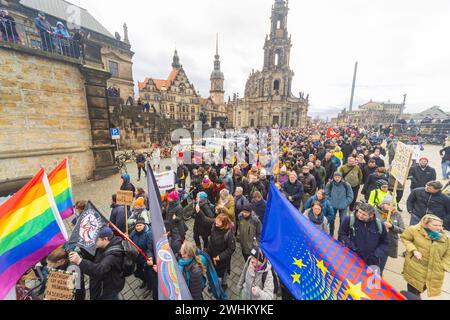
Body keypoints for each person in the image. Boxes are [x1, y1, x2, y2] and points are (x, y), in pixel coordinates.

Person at [69, 227, 125, 300]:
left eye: (97, 240)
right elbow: (95, 258)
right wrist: (81, 253)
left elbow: (99, 270)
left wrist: (80, 261)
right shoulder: (105, 245)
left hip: (108, 288)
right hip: (104, 283)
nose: (94, 242)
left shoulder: (112, 256)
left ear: (105, 239)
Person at [401, 215, 450, 298]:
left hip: (432, 272)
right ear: (426, 224)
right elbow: (405, 238)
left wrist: (443, 266)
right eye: (435, 225)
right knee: (413, 291)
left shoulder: (445, 238)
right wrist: (414, 250)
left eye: (440, 225)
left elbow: (448, 254)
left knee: (419, 291)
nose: (439, 228)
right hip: (415, 267)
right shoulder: (414, 230)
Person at [338, 203, 389, 269]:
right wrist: (352, 246)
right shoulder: (349, 220)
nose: (360, 215)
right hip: (353, 257)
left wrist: (377, 254)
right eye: (359, 212)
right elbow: (342, 234)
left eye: (364, 214)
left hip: (372, 261)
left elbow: (385, 241)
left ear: (371, 215)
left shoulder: (379, 225)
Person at [376, 196, 405, 275]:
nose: (391, 207)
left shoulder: (397, 215)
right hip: (375, 242)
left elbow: (403, 230)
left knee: (380, 267)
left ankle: (377, 281)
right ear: (382, 204)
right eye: (388, 204)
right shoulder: (375, 212)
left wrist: (392, 227)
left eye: (393, 205)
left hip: (388, 244)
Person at [207, 214, 236, 290]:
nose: (215, 223)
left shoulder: (229, 234)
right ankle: (212, 285)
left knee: (222, 274)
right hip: (212, 256)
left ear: (223, 224)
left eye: (218, 223)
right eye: (216, 221)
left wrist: (220, 257)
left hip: (222, 260)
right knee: (212, 271)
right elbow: (211, 238)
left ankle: (223, 285)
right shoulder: (215, 226)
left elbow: (231, 249)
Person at [129, 218, 154, 297]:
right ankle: (145, 281)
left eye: (140, 225)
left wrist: (150, 257)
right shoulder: (133, 232)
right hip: (137, 257)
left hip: (145, 258)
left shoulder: (148, 234)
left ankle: (150, 288)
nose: (138, 227)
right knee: (137, 273)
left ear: (144, 225)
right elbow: (130, 242)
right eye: (137, 225)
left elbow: (149, 248)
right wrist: (127, 238)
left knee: (148, 274)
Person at [325, 172, 354, 237]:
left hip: (343, 206)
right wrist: (330, 202)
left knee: (343, 221)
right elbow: (326, 194)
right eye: (335, 177)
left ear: (341, 177)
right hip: (332, 206)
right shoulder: (329, 184)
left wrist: (346, 203)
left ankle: (340, 236)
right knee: (332, 220)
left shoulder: (346, 185)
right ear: (333, 177)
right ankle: (331, 233)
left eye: (339, 177)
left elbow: (350, 196)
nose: (337, 178)